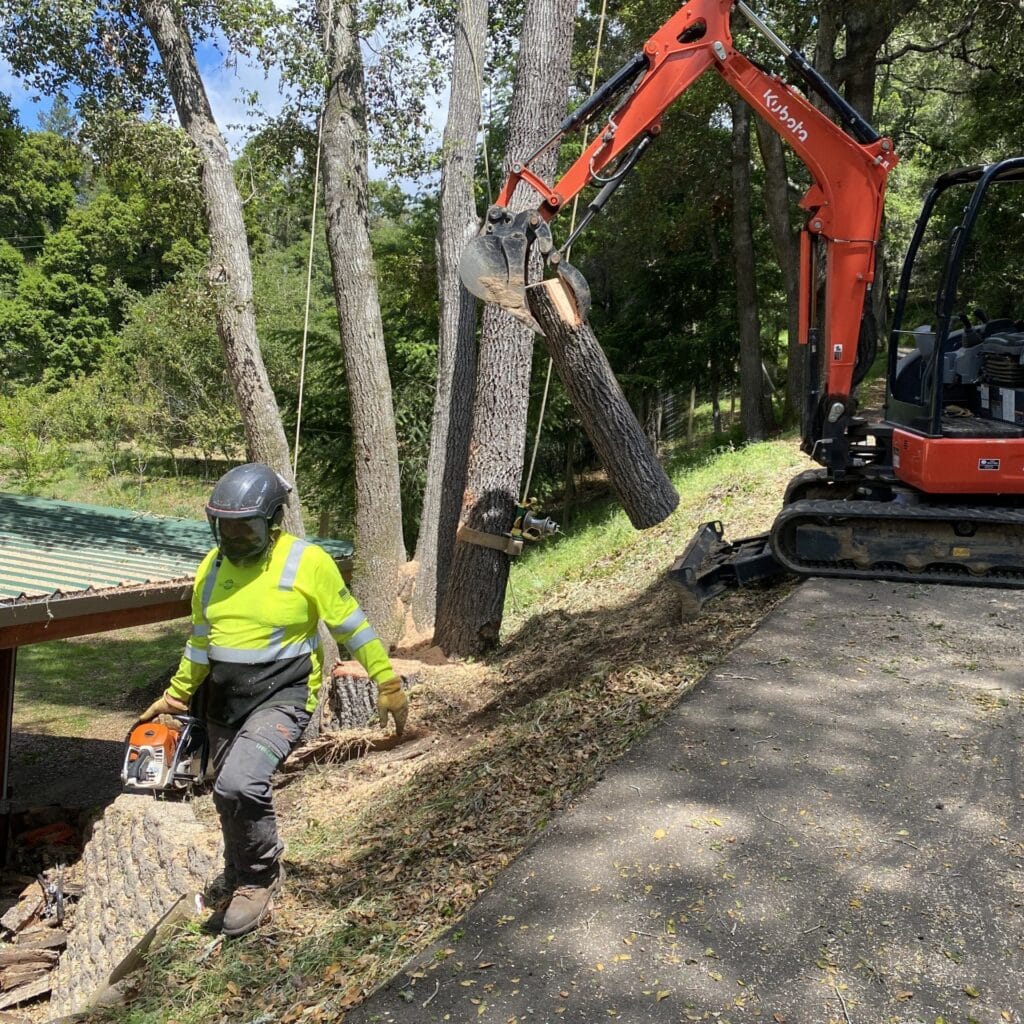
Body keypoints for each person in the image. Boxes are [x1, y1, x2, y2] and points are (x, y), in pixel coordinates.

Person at [135, 463, 408, 937]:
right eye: (225, 526)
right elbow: (201, 642)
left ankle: (259, 880)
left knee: (239, 784)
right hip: (225, 699)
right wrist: (176, 695)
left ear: (273, 521)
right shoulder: (211, 567)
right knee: (224, 791)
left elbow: (353, 627)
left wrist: (386, 681)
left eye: (247, 527)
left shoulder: (308, 562)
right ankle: (237, 869)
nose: (235, 537)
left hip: (284, 695)